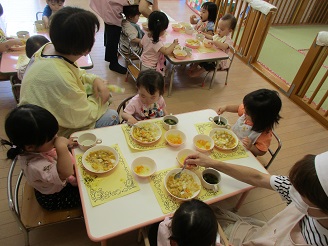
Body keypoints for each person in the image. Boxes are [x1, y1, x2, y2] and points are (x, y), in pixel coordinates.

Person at [185, 151, 328, 245]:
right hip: (260, 235)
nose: (293, 191)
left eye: (301, 194)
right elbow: (258, 177)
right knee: (206, 212)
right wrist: (212, 163)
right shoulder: (303, 188)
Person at [19, 7, 119, 138]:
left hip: (33, 120)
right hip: (46, 136)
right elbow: (82, 116)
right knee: (112, 116)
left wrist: (95, 80)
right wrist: (101, 100)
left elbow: (77, 73)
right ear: (86, 49)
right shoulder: (59, 76)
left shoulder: (48, 48)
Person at [1, 104, 81, 211]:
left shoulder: (34, 148)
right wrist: (61, 147)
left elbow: (53, 149)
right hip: (55, 197)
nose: (57, 138)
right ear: (30, 147)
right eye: (52, 139)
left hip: (50, 180)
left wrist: (66, 144)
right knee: (88, 196)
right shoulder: (35, 165)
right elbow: (66, 172)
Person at [89, 0, 158, 74]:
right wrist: (156, 21)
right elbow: (143, 9)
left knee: (109, 25)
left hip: (109, 3)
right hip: (111, 4)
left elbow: (155, 8)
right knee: (113, 30)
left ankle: (109, 50)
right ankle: (113, 63)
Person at [218, 89, 282, 156]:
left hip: (242, 153)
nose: (244, 112)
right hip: (229, 140)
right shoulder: (250, 110)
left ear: (260, 119)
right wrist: (226, 108)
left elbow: (262, 151)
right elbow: (238, 108)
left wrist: (251, 147)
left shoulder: (264, 133)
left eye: (247, 113)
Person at [188, 13, 236, 78]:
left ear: (230, 30)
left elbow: (224, 46)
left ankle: (198, 72)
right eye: (218, 27)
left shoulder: (228, 39)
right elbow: (212, 37)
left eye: (222, 29)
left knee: (210, 64)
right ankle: (194, 66)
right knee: (201, 55)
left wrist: (214, 42)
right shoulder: (220, 35)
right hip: (212, 55)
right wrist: (204, 34)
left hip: (219, 62)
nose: (218, 30)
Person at [140, 11, 179, 76]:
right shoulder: (157, 42)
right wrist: (174, 44)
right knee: (149, 83)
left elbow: (140, 45)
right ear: (161, 31)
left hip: (143, 62)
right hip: (150, 67)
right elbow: (166, 52)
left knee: (144, 81)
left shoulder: (146, 35)